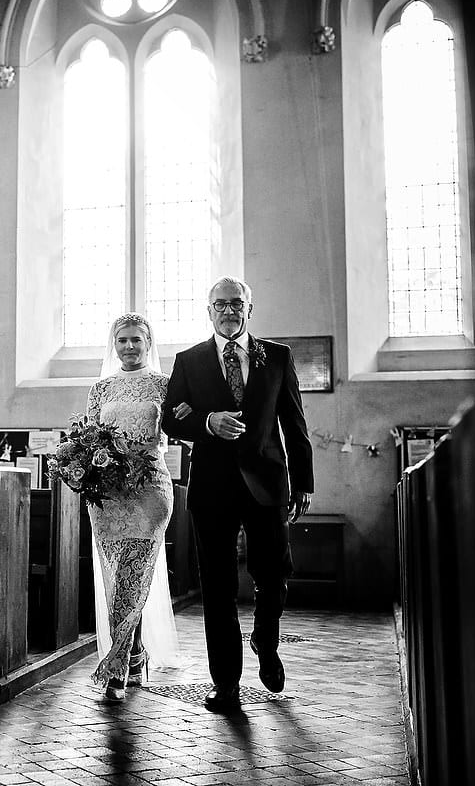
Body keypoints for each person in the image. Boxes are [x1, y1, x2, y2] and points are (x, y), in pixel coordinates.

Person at [161, 276, 314, 712]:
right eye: (220, 304)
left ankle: (266, 638)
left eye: (236, 303)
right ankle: (225, 683)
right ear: (208, 311)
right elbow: (172, 418)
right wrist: (207, 422)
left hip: (268, 482)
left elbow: (294, 423)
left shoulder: (277, 356)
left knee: (273, 573)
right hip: (211, 486)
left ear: (250, 308)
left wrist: (303, 481)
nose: (228, 310)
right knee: (218, 587)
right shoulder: (189, 360)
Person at [84, 313, 185, 702]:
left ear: (148, 343)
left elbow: (177, 430)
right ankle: (137, 652)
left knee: (136, 568)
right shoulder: (100, 388)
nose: (129, 346)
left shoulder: (164, 385)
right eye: (122, 340)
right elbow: (90, 437)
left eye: (136, 340)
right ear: (114, 344)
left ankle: (117, 667)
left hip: (150, 489)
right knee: (116, 573)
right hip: (108, 492)